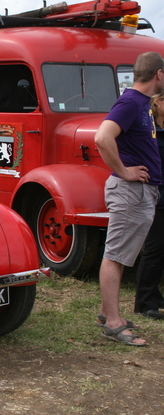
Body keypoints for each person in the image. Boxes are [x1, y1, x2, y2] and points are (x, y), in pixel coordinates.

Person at [94, 52, 164, 346]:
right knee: (115, 255)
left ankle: (107, 312)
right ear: (159, 74)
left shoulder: (142, 105)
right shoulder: (131, 102)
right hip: (129, 191)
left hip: (141, 192)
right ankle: (112, 323)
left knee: (123, 255)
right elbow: (102, 137)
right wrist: (123, 171)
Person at [133, 92, 164, 319]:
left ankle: (156, 297)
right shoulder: (149, 128)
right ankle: (145, 301)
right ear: (158, 101)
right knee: (154, 248)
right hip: (157, 195)